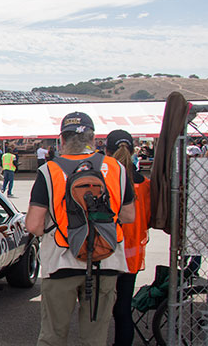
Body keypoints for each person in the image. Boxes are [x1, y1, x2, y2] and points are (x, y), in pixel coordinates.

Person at [25, 111, 136, 346]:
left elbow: (34, 225)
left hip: (61, 261)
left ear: (62, 140)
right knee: (94, 338)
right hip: (105, 261)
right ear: (93, 139)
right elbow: (128, 216)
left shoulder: (49, 171)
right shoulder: (116, 168)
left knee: (53, 336)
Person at [105, 130, 151, 346]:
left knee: (97, 307)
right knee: (123, 310)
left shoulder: (102, 180)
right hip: (132, 254)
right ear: (133, 151)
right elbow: (149, 219)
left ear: (106, 150)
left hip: (103, 251)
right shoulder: (144, 184)